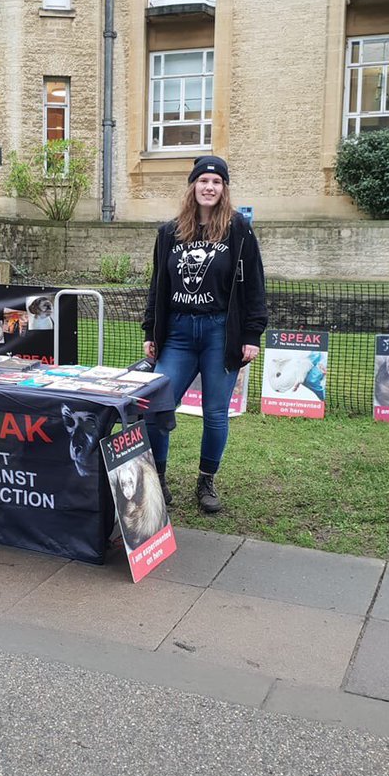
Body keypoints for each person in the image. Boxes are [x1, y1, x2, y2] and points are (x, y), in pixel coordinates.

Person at [142, 155, 267, 513]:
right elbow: (158, 286)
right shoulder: (169, 233)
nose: (209, 187)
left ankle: (206, 482)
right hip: (178, 332)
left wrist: (252, 335)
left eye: (216, 182)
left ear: (224, 189)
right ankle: (158, 479)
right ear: (193, 186)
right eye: (203, 181)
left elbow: (255, 286)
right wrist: (151, 329)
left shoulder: (239, 230)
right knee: (157, 409)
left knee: (215, 414)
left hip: (219, 332)